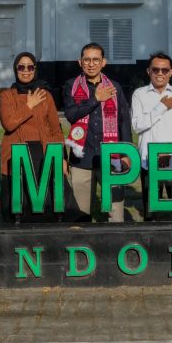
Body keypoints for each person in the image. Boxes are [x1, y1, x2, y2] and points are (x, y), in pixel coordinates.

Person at [62, 43, 132, 222]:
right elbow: (71, 115)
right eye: (87, 60)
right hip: (82, 156)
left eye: (95, 60)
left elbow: (123, 121)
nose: (91, 64)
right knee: (80, 212)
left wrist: (126, 153)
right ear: (80, 62)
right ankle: (80, 247)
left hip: (112, 156)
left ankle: (116, 244)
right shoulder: (71, 85)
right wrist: (95, 99)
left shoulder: (114, 87)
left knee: (116, 212)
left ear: (103, 62)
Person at [0, 52, 65, 223]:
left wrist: (62, 157)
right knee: (18, 203)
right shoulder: (6, 95)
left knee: (44, 204)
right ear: (15, 69)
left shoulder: (45, 95)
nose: (26, 71)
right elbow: (9, 124)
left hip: (42, 153)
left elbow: (56, 129)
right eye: (21, 67)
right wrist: (29, 105)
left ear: (35, 69)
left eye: (30, 67)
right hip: (16, 153)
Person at [131, 52, 172, 222]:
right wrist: (161, 107)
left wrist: (168, 153)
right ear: (148, 71)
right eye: (156, 69)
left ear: (171, 72)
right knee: (150, 210)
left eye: (164, 70)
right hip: (149, 160)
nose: (160, 73)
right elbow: (137, 126)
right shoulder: (139, 94)